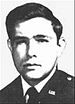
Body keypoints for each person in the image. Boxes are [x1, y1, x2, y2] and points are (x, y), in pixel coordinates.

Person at [0, 2, 74, 104]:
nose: (30, 52)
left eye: (42, 40)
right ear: (10, 46)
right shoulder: (3, 97)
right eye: (21, 42)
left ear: (60, 46)